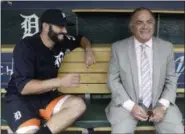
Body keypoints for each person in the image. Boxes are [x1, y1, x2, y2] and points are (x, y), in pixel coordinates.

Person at [3, 9, 96, 134]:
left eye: (65, 26)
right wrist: (59, 82)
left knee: (78, 105)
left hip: (47, 98)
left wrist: (88, 49)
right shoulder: (26, 46)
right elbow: (24, 88)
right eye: (60, 26)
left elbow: (81, 39)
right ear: (45, 26)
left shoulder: (61, 41)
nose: (65, 31)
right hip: (21, 100)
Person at [105, 7, 184, 134]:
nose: (145, 26)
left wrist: (162, 106)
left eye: (149, 22)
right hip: (127, 104)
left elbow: (171, 80)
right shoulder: (118, 48)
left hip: (159, 102)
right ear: (132, 27)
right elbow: (112, 80)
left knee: (177, 131)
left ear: (154, 25)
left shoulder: (166, 47)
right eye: (139, 22)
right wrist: (131, 106)